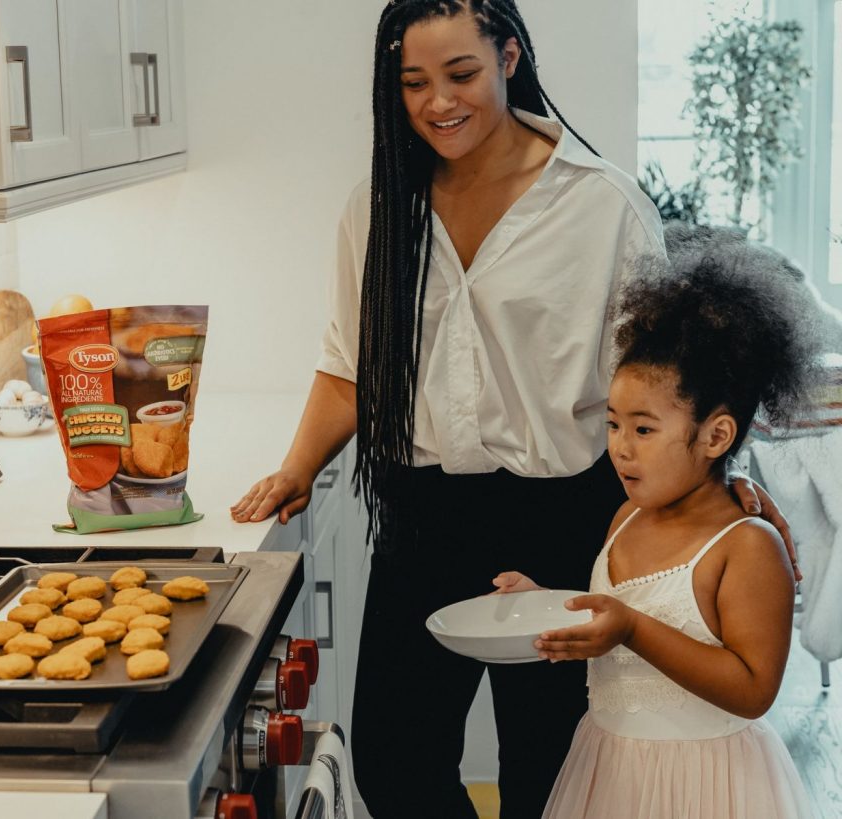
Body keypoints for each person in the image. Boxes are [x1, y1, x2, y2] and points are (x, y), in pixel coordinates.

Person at [231, 2, 797, 816]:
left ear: (509, 57)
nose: (437, 103)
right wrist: (295, 469)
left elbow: (668, 379)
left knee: (549, 768)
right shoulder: (381, 207)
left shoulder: (601, 204)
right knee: (392, 760)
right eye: (412, 83)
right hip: (421, 513)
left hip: (563, 514)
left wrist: (723, 481)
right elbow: (351, 367)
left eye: (460, 74)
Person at [495, 223, 820, 818]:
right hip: (610, 772)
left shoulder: (746, 547)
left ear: (716, 435)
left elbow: (752, 689)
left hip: (707, 785)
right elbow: (614, 617)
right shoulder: (625, 517)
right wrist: (543, 604)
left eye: (644, 429)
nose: (621, 447)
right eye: (614, 423)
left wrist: (633, 631)